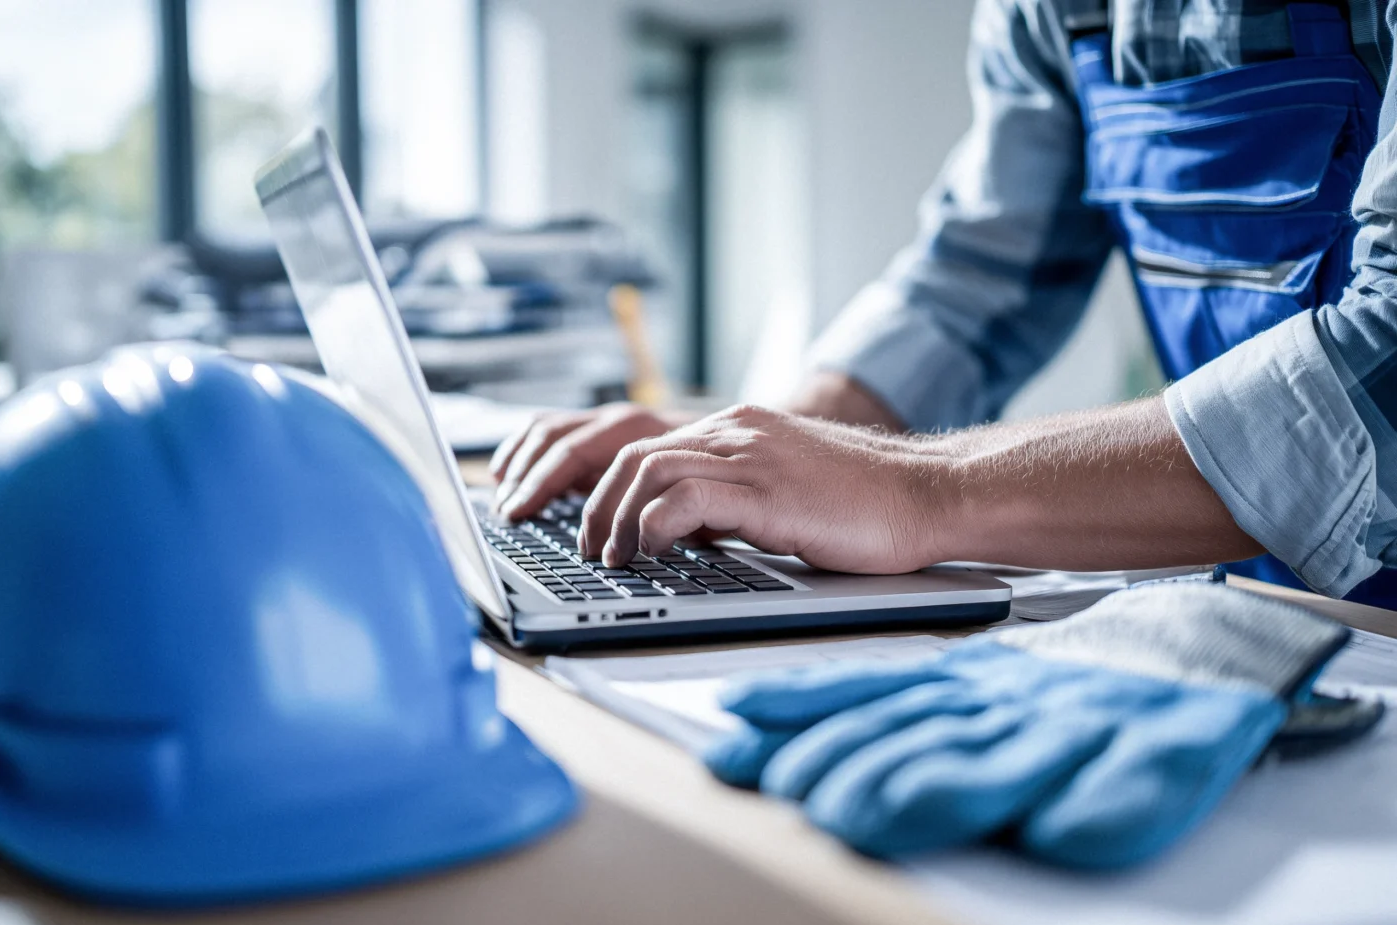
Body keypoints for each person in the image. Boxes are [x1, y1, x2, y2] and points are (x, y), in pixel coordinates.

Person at [491, 0, 1397, 610]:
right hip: (1283, 616)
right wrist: (743, 457)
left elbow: (1383, 369)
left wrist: (921, 491)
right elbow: (976, 283)